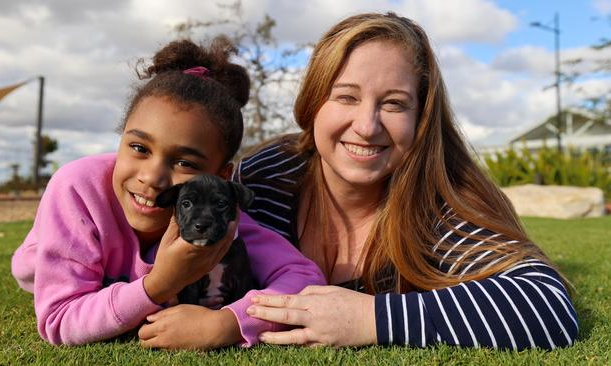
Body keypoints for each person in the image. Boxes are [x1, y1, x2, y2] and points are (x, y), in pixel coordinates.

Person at [146, 12, 578, 350]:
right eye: (346, 96)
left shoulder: (442, 201)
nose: (367, 126)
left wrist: (370, 319)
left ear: (421, 118)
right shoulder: (267, 176)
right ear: (315, 102)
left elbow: (546, 305)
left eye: (394, 103)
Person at [10, 37, 325, 349]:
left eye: (185, 162)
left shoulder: (217, 215)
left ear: (219, 177)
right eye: (138, 148)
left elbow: (304, 277)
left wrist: (228, 322)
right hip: (49, 263)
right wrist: (159, 284)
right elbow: (61, 320)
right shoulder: (78, 188)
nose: (152, 177)